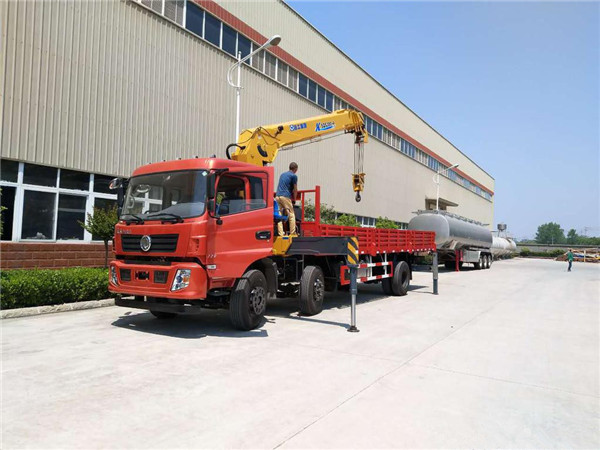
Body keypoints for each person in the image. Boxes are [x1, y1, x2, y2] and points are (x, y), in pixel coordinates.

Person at [275, 162, 298, 236]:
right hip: (285, 196)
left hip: (277, 196)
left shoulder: (282, 174)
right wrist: (294, 200)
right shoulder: (294, 176)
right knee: (291, 214)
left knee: (279, 215)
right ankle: (292, 233)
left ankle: (281, 233)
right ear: (295, 169)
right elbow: (295, 189)